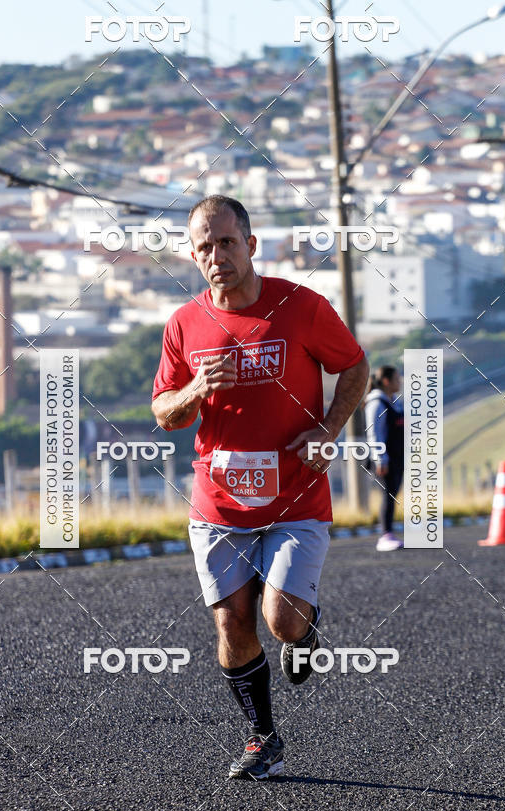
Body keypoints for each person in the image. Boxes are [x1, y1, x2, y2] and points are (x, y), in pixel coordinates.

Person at [151, 195, 369, 780]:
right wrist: (196, 389)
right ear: (194, 257)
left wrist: (329, 429)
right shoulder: (184, 325)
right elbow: (164, 412)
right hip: (219, 501)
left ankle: (305, 627)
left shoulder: (301, 307)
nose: (217, 255)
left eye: (226, 241)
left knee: (283, 622)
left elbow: (355, 366)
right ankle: (261, 737)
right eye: (204, 246)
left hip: (297, 494)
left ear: (251, 245)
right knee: (231, 622)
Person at [364, 366, 404, 551]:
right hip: (385, 459)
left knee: (392, 495)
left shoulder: (393, 401)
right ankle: (385, 535)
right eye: (397, 378)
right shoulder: (377, 403)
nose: (400, 381)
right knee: (387, 496)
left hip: (397, 457)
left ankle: (389, 533)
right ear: (386, 381)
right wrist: (380, 459)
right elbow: (374, 433)